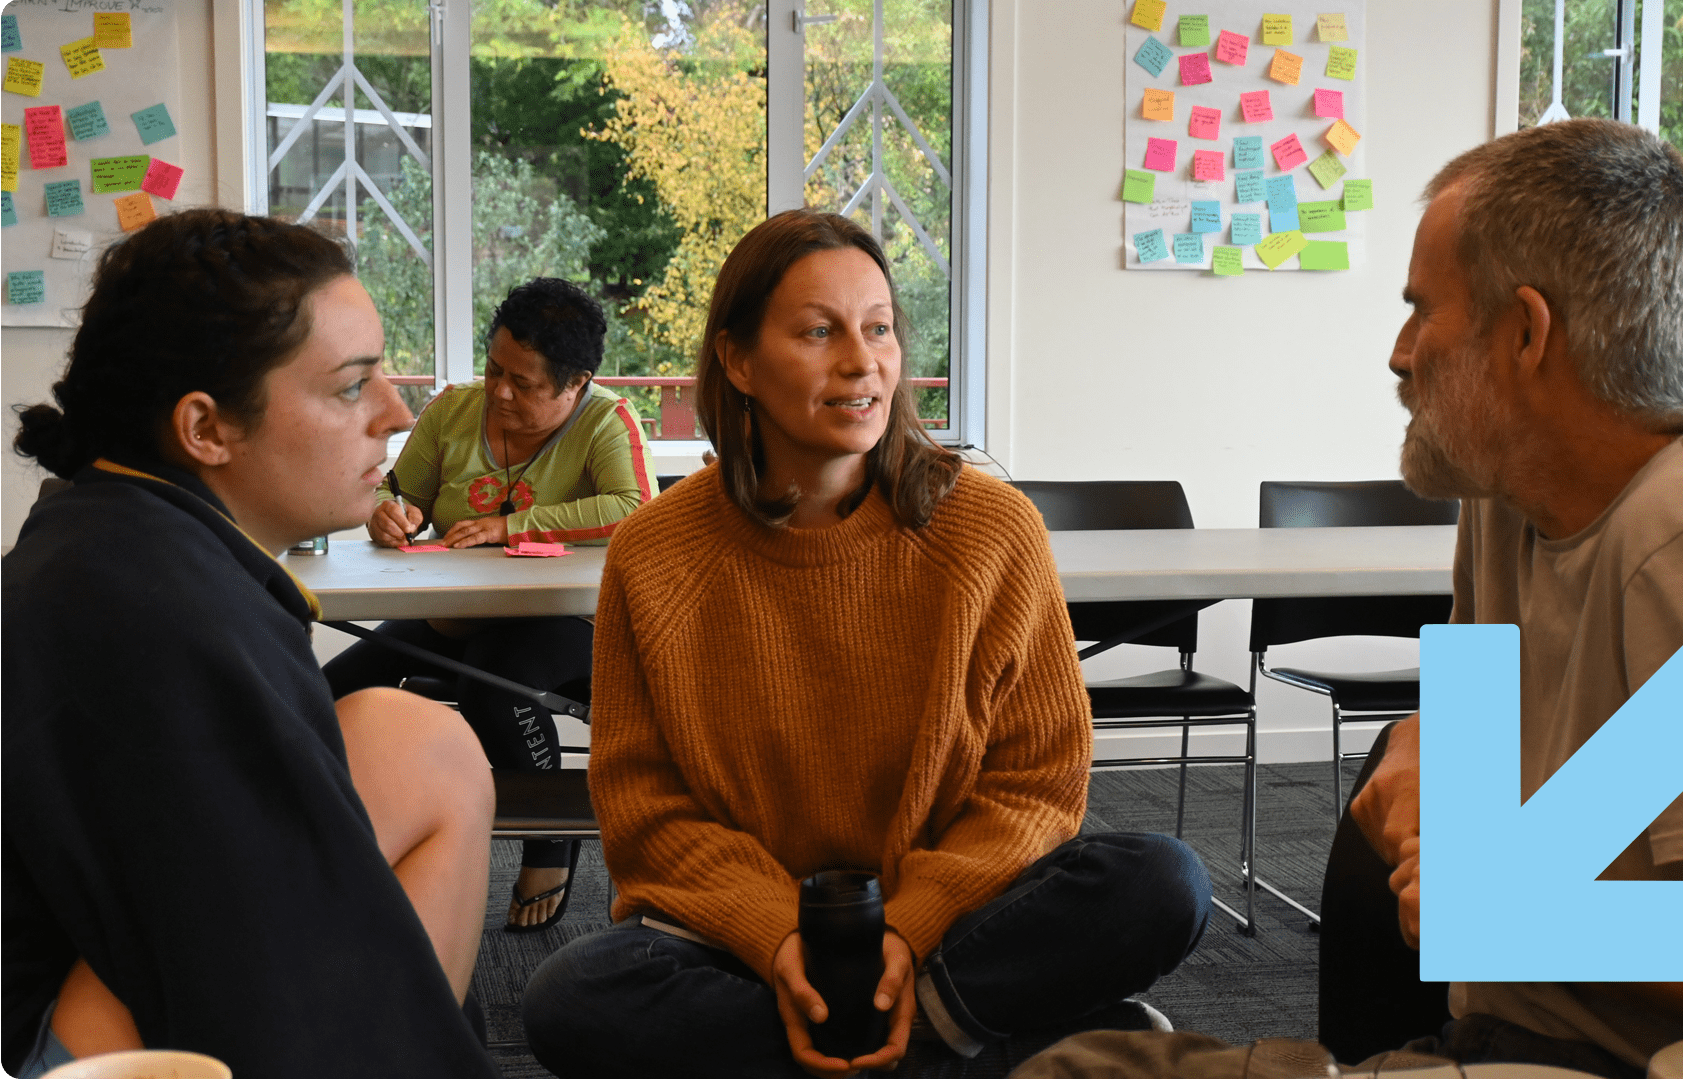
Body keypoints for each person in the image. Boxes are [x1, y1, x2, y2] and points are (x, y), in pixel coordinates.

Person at [518, 210, 1212, 1079]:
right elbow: (646, 810)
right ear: (736, 361)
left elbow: (1037, 779)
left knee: (1162, 882)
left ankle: (877, 1038)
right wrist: (777, 936)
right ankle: (977, 1044)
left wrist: (913, 929)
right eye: (819, 332)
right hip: (750, 939)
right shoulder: (653, 554)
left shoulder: (994, 528)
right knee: (571, 997)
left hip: (953, 920)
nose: (863, 361)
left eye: (879, 328)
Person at [1334, 117, 1683, 1075]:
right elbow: (1488, 786)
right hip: (1485, 1031)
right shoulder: (1512, 492)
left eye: (1422, 311)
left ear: (1526, 334)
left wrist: (1506, 905)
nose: (1401, 355)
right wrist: (1419, 744)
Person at [3, 208, 497, 1077]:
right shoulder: (162, 613)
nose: (396, 412)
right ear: (205, 429)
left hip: (80, 983)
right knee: (425, 751)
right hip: (53, 1054)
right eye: (351, 386)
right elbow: (243, 968)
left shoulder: (113, 535)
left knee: (415, 737)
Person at [321, 277, 658, 932]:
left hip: (560, 622)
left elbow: (634, 508)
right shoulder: (453, 410)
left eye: (524, 384)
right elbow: (392, 493)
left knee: (496, 686)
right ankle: (331, 848)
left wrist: (515, 525)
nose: (500, 392)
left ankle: (550, 842)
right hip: (453, 613)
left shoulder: (606, 420)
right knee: (323, 693)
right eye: (494, 368)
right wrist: (388, 517)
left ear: (576, 383)